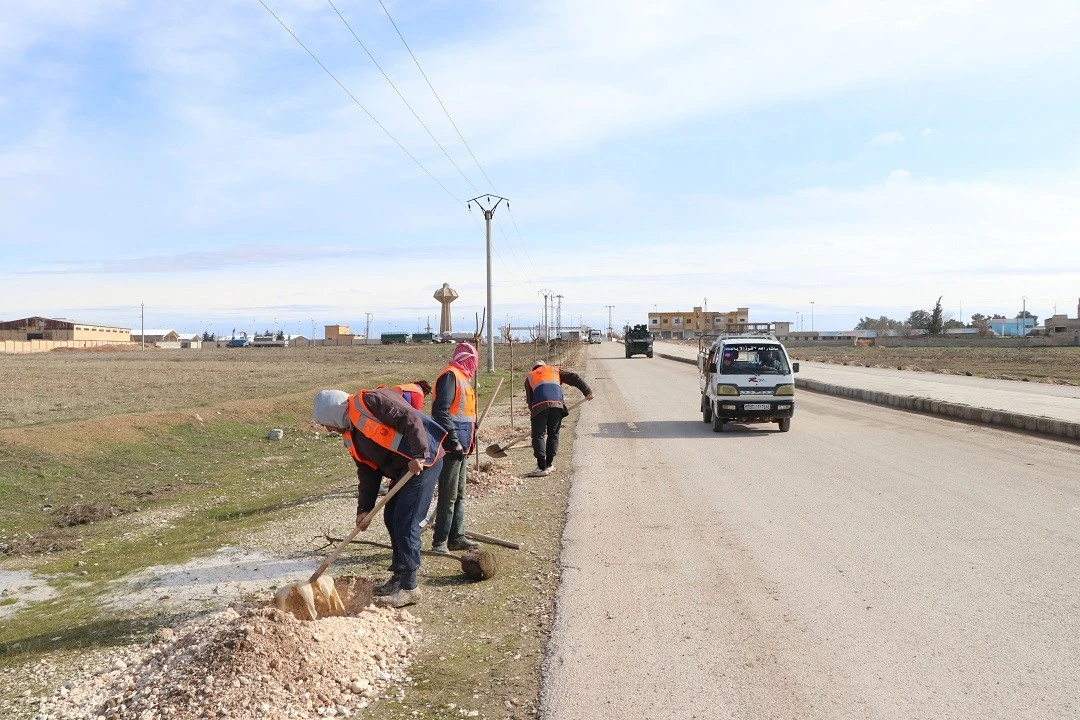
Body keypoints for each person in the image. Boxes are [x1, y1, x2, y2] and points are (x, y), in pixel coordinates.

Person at [312, 386, 447, 608]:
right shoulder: (351, 434)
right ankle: (399, 575)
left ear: (332, 415)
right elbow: (367, 471)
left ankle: (410, 587)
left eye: (325, 424)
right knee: (391, 517)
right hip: (404, 470)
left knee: (406, 521)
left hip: (423, 463)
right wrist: (364, 509)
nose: (327, 430)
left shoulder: (372, 402)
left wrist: (419, 454)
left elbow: (409, 417)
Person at [429, 342, 481, 554]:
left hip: (463, 445)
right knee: (448, 495)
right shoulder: (451, 376)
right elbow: (441, 412)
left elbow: (465, 414)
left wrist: (471, 435)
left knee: (459, 494)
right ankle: (439, 542)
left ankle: (457, 537)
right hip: (451, 446)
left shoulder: (463, 379)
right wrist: (453, 440)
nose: (475, 365)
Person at [523, 360, 593, 477]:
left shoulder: (530, 376)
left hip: (539, 405)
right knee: (553, 434)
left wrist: (535, 417)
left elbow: (530, 400)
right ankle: (549, 464)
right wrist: (587, 391)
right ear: (544, 366)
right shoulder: (554, 370)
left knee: (538, 434)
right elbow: (574, 377)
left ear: (534, 368)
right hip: (557, 405)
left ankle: (541, 467)